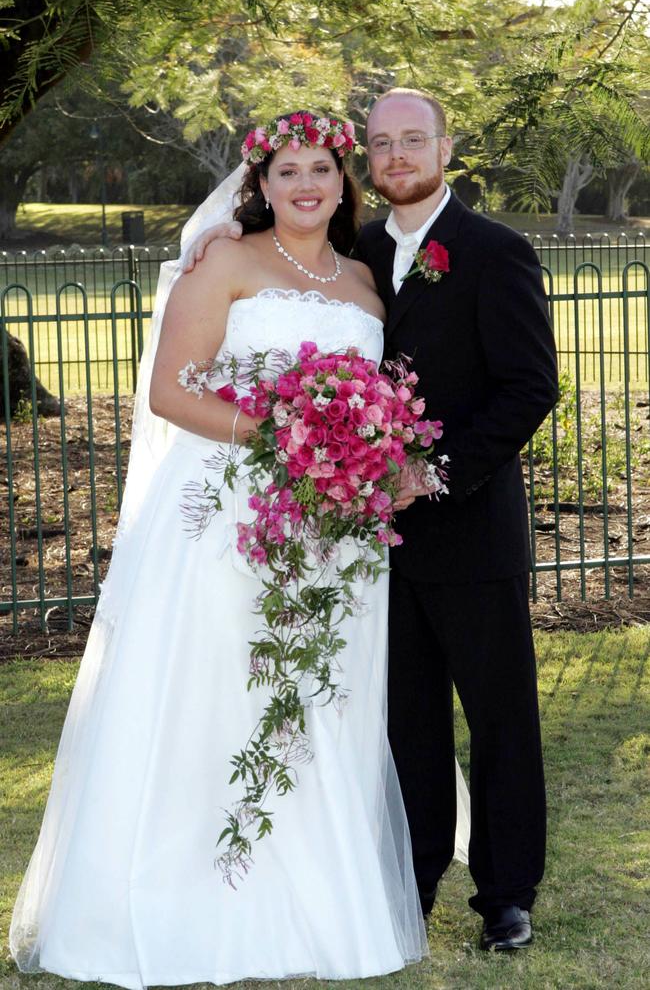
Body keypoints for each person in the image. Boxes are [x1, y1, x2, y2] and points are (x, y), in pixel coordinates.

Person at [10, 111, 473, 988]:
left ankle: (319, 907)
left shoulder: (370, 278)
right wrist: (283, 442)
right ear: (259, 185)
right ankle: (177, 896)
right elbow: (171, 393)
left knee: (320, 702)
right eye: (288, 170)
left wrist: (353, 455)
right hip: (223, 519)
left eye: (323, 170)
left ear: (346, 184)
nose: (306, 185)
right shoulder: (221, 261)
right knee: (213, 691)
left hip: (333, 533)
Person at [188, 88, 559, 953]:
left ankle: (506, 893)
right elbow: (280, 262)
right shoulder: (349, 254)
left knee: (498, 717)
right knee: (405, 720)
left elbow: (530, 388)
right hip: (360, 543)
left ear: (444, 146)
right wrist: (219, 239)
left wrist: (433, 474)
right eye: (383, 144)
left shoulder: (495, 251)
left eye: (412, 141)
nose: (396, 156)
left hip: (467, 527)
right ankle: (414, 872)